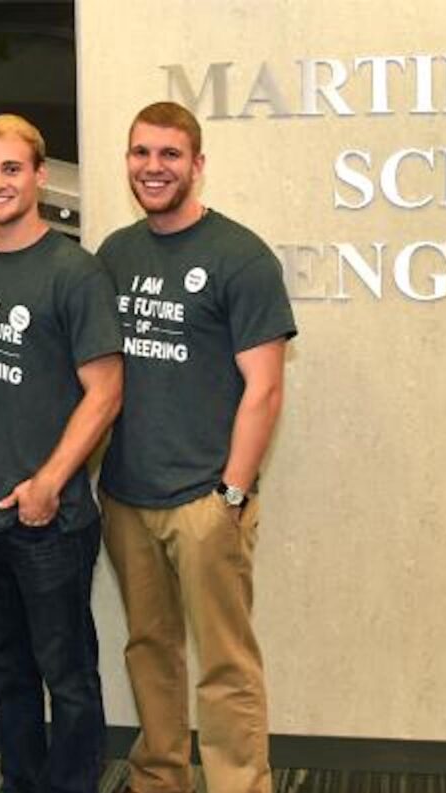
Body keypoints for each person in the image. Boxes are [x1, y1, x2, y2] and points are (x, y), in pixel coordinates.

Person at [97, 101, 297, 793]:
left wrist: (230, 495)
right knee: (149, 651)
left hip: (206, 501)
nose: (153, 168)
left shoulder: (240, 257)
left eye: (169, 155)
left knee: (225, 665)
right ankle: (159, 779)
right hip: (126, 496)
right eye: (141, 153)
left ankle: (239, 784)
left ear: (198, 164)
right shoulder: (116, 254)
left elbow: (265, 388)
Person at [0, 114, 123, 793]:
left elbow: (106, 392)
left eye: (11, 169)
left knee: (69, 676)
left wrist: (50, 481)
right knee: (5, 670)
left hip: (49, 520)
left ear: (40, 175)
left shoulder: (75, 272)